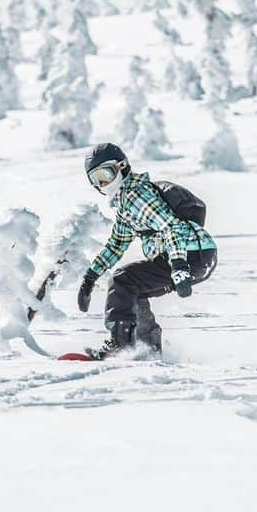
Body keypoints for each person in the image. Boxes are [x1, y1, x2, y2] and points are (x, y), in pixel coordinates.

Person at [78, 143, 218, 359]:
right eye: (96, 179)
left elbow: (171, 227)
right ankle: (148, 347)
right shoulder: (125, 204)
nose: (103, 183)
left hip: (189, 254)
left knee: (123, 280)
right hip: (196, 254)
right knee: (133, 288)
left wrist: (179, 265)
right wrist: (90, 277)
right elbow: (117, 244)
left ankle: (121, 344)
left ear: (122, 167)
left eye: (107, 173)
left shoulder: (136, 196)